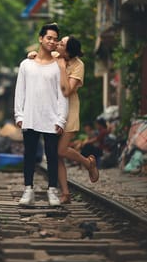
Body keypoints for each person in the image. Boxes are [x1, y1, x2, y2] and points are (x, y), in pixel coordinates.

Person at [28, 35, 99, 204]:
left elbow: (67, 91)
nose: (57, 44)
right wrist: (33, 55)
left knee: (60, 150)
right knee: (55, 154)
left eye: (61, 44)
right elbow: (37, 61)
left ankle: (88, 163)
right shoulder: (53, 56)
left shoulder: (78, 66)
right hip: (52, 111)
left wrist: (61, 69)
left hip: (70, 111)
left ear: (68, 51)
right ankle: (65, 193)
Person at [14, 23, 68, 206]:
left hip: (52, 118)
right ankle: (28, 190)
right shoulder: (26, 64)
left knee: (51, 154)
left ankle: (52, 191)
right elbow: (19, 91)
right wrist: (19, 115)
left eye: (55, 39)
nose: (52, 42)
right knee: (29, 154)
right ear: (41, 38)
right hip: (30, 116)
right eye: (49, 38)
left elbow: (63, 93)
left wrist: (62, 118)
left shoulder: (59, 66)